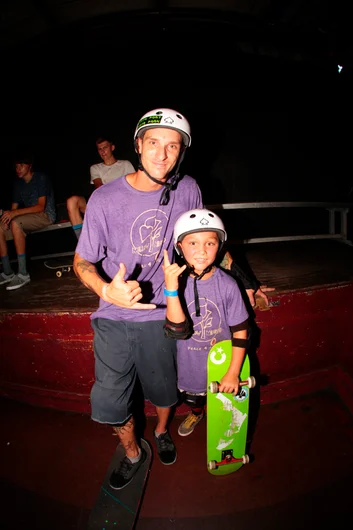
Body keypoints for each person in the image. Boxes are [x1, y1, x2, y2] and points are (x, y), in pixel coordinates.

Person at [73, 108, 271, 491]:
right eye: (153, 144)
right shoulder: (104, 199)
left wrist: (248, 282)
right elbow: (82, 260)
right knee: (113, 400)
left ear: (181, 152)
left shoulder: (189, 189)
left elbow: (206, 237)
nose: (162, 155)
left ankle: (162, 430)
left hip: (164, 310)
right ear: (137, 145)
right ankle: (132, 454)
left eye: (172, 147)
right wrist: (105, 290)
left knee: (165, 389)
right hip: (115, 311)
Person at [163, 208, 249, 437]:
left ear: (219, 247)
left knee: (220, 401)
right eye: (193, 243)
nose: (202, 251)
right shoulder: (174, 283)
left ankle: (215, 414)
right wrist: (171, 290)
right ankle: (197, 412)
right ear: (179, 246)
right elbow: (176, 331)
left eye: (210, 243)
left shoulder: (228, 285)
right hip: (188, 360)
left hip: (221, 362)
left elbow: (241, 330)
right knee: (193, 398)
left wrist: (233, 372)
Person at [0, 152, 56, 290]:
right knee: (1, 227)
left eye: (21, 165)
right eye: (16, 166)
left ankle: (23, 274)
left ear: (29, 166)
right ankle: (7, 272)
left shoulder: (41, 178)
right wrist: (6, 219)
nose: (18, 168)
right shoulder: (18, 184)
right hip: (29, 218)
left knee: (16, 222)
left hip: (45, 215)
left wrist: (14, 214)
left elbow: (40, 206)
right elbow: (14, 208)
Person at [66, 135, 135, 240]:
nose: (103, 151)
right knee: (72, 201)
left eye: (105, 147)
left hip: (122, 202)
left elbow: (134, 185)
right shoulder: (95, 168)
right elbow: (99, 186)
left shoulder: (125, 164)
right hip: (102, 202)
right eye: (100, 149)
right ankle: (83, 243)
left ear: (112, 147)